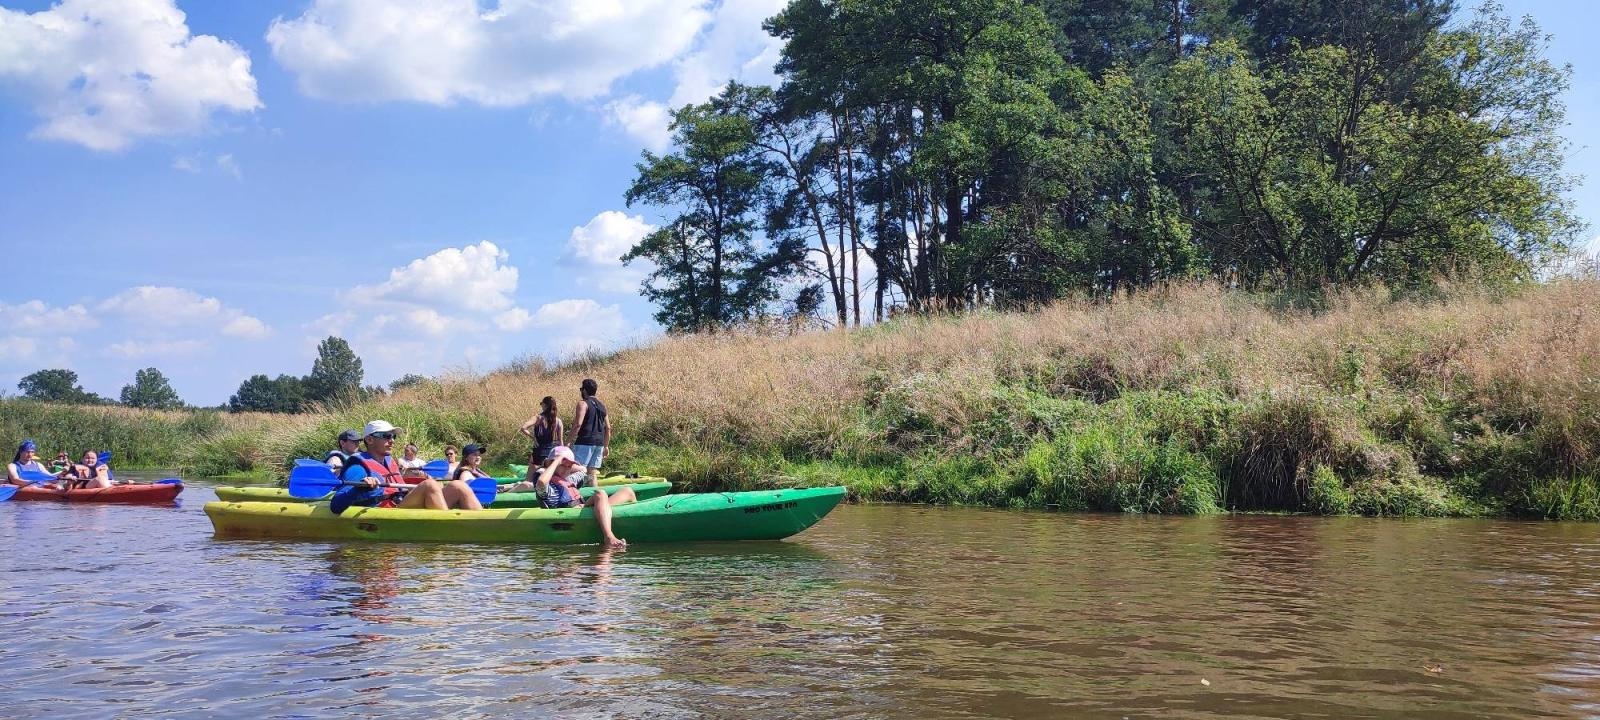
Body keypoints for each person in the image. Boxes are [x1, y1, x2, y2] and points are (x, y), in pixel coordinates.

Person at [328, 421, 483, 514]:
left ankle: (483, 523)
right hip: (386, 512)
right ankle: (451, 529)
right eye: (386, 436)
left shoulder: (389, 461)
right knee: (429, 486)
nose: (392, 441)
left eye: (393, 436)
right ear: (369, 439)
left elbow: (400, 489)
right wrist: (359, 488)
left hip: (400, 504)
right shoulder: (358, 466)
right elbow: (335, 506)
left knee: (458, 486)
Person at [526, 446, 635, 549]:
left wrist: (568, 462)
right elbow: (541, 482)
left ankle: (625, 520)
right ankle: (609, 537)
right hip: (569, 512)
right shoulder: (547, 485)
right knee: (600, 494)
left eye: (569, 467)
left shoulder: (569, 479)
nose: (566, 470)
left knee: (628, 491)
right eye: (563, 466)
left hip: (582, 507)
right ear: (550, 463)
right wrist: (556, 461)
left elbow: (583, 470)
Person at [568, 378, 611, 488]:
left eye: (581, 389)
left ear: (585, 390)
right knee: (592, 472)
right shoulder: (602, 406)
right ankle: (594, 496)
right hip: (599, 443)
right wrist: (606, 446)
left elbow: (578, 424)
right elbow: (608, 428)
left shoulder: (583, 404)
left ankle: (573, 496)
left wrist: (568, 442)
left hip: (585, 442)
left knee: (577, 469)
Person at [518, 396, 563, 481]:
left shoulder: (538, 418)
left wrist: (534, 438)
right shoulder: (558, 421)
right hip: (551, 453)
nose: (541, 406)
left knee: (529, 480)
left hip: (539, 452)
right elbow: (561, 442)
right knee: (547, 479)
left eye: (541, 404)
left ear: (545, 405)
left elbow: (523, 428)